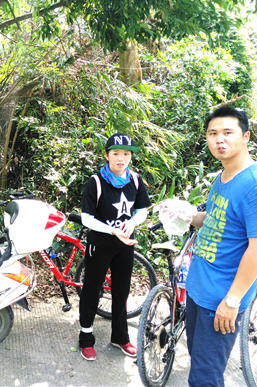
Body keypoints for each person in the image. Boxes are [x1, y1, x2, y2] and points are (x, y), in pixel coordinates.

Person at [185, 106, 257, 387]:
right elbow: (214, 220)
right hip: (199, 289)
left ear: (245, 136)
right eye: (212, 133)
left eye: (228, 132)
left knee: (204, 379)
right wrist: (186, 214)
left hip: (222, 298)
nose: (219, 139)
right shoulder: (223, 176)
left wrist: (232, 301)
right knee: (200, 364)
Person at [78, 133, 151, 361]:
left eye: (126, 154)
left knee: (121, 291)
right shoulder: (96, 182)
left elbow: (142, 210)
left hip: (125, 245)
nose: (121, 158)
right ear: (107, 155)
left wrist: (134, 222)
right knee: (92, 290)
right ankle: (86, 338)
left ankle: (120, 337)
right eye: (116, 153)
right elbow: (87, 219)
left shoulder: (135, 180)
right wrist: (112, 230)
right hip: (100, 245)